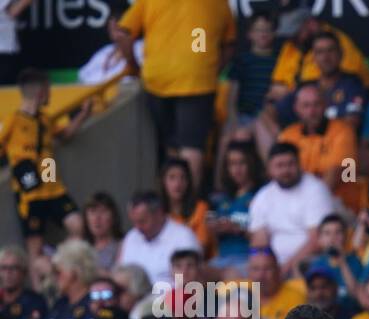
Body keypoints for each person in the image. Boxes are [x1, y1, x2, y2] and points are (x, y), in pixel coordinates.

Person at [112, 0, 235, 187]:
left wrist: (134, 65)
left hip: (157, 79)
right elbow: (229, 45)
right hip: (197, 78)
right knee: (191, 146)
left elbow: (121, 33)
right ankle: (188, 206)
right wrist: (212, 71)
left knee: (172, 146)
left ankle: (172, 205)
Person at [0, 69, 87, 256]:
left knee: (77, 225)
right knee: (35, 248)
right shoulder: (13, 120)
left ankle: (61, 261)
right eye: (48, 89)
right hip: (30, 194)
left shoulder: (46, 120)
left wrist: (83, 114)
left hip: (54, 188)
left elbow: (65, 135)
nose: (50, 94)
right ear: (41, 91)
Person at [247, 143, 337, 273]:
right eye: (280, 166)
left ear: (299, 165)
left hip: (309, 262)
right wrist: (265, 268)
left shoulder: (315, 189)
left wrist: (283, 269)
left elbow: (317, 241)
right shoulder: (263, 196)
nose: (286, 170)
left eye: (290, 164)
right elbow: (259, 242)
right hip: (273, 266)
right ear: (269, 170)